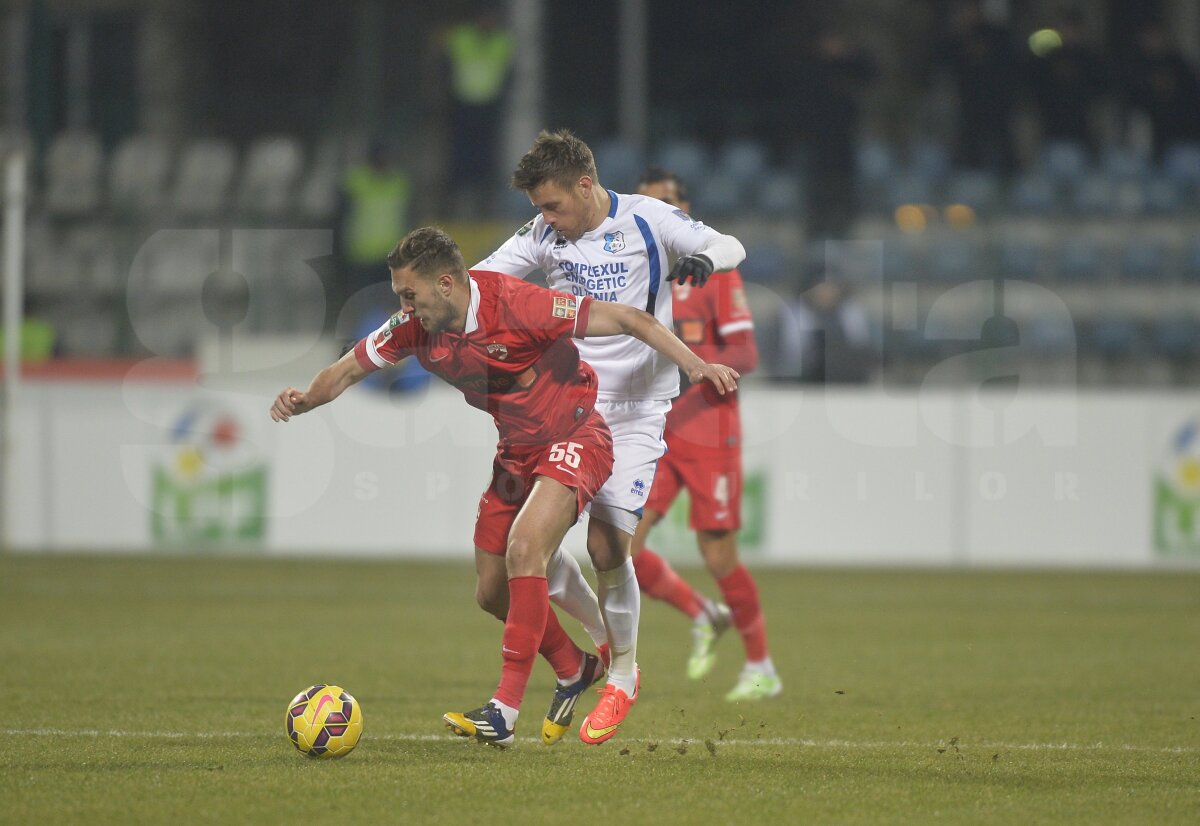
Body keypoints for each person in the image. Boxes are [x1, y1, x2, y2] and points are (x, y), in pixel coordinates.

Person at [270, 227, 739, 748]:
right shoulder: (414, 328)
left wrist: (695, 365)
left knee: (526, 548)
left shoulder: (519, 304)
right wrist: (307, 399)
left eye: (410, 295)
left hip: (578, 434)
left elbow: (631, 318)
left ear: (446, 284)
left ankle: (504, 711)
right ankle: (573, 666)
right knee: (492, 592)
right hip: (515, 455)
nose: (403, 306)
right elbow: (349, 368)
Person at [478, 129, 747, 741]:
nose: (547, 220)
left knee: (605, 548)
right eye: (538, 209)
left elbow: (728, 244)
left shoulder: (651, 219)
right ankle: (605, 643)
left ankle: (623, 674)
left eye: (553, 205)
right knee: (532, 548)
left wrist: (706, 260)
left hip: (636, 409)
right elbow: (481, 279)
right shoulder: (544, 235)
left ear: (585, 184)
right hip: (564, 407)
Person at [629, 168, 780, 701]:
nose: (661, 213)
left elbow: (744, 354)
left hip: (709, 431)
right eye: (650, 204)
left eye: (670, 203)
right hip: (653, 432)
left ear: (685, 211)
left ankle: (762, 666)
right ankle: (702, 612)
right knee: (623, 546)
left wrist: (688, 370)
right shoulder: (635, 275)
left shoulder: (714, 272)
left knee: (718, 555)